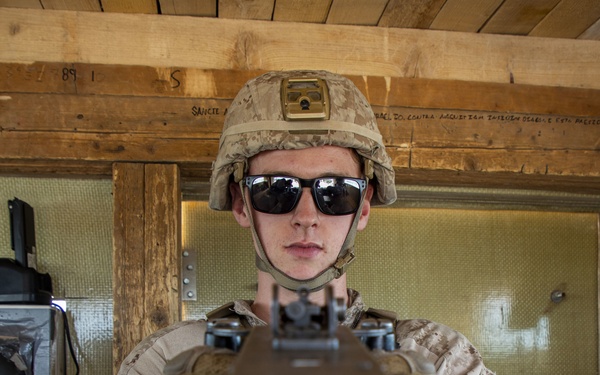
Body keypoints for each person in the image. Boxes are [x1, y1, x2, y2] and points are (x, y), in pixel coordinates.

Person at [118, 70, 494, 375]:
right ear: (241, 204)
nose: (306, 217)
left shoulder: (435, 358)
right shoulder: (168, 359)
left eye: (336, 191)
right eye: (276, 190)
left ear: (362, 207)